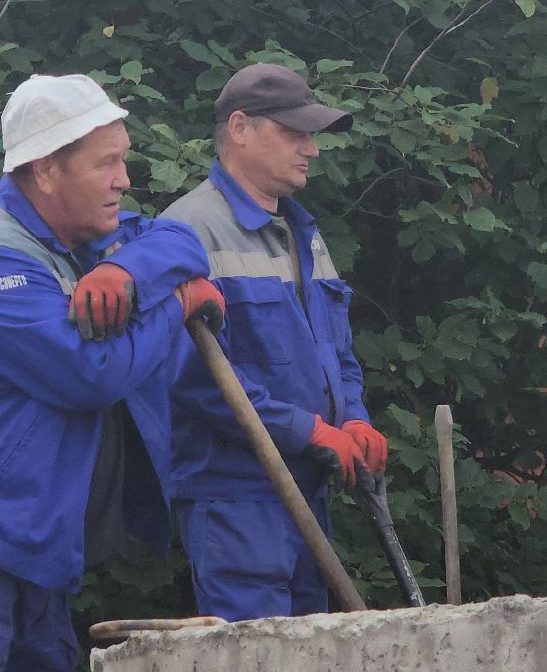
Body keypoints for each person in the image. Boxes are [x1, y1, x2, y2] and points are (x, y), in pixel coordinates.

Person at [0, 74, 223, 671]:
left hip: (26, 546)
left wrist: (127, 274)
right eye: (105, 164)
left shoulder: (81, 240)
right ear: (45, 171)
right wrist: (178, 304)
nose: (123, 181)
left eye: (123, 160)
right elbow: (92, 374)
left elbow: (180, 239)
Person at [161, 63, 384, 621]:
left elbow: (338, 351)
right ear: (239, 128)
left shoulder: (304, 234)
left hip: (307, 486)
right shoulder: (187, 232)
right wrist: (308, 429)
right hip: (236, 498)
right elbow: (193, 378)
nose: (311, 149)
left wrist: (353, 417)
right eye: (294, 132)